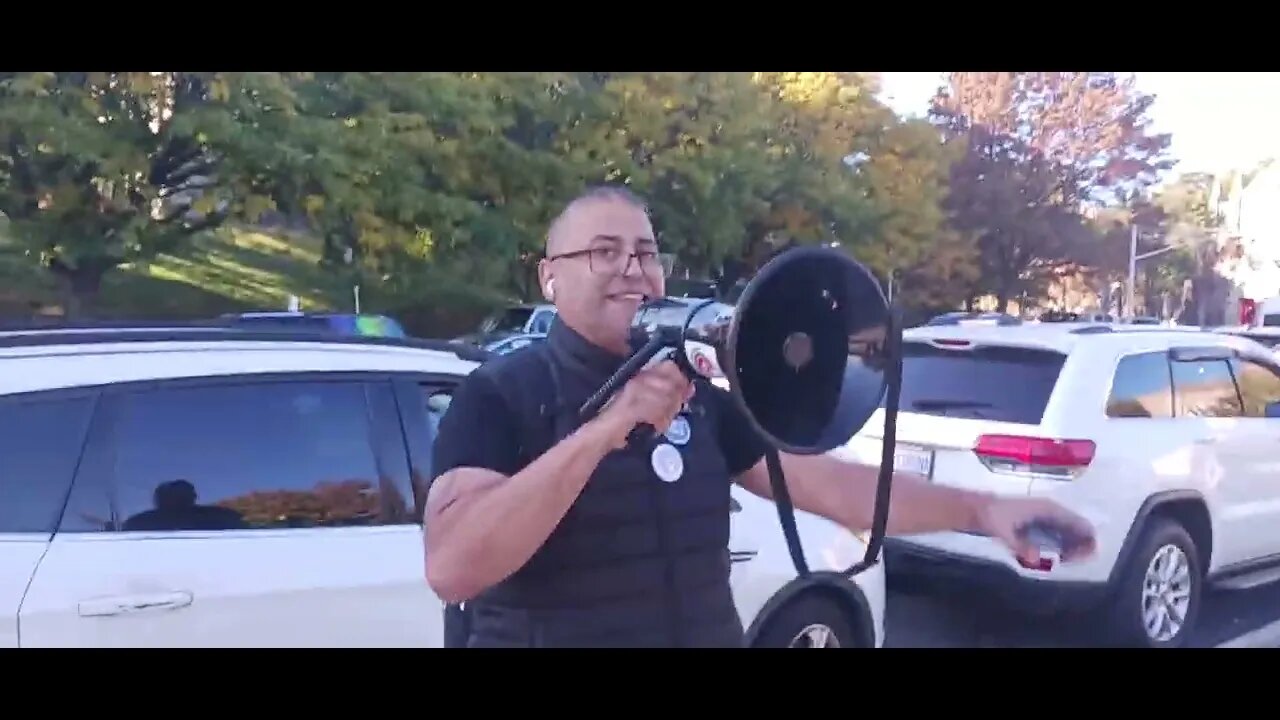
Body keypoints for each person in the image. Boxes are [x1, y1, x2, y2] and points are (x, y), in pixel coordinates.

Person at [423, 185, 1096, 648]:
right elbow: (453, 567)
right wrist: (603, 432)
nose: (634, 269)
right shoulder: (500, 395)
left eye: (647, 251)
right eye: (604, 251)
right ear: (550, 278)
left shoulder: (702, 391)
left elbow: (828, 484)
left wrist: (982, 513)